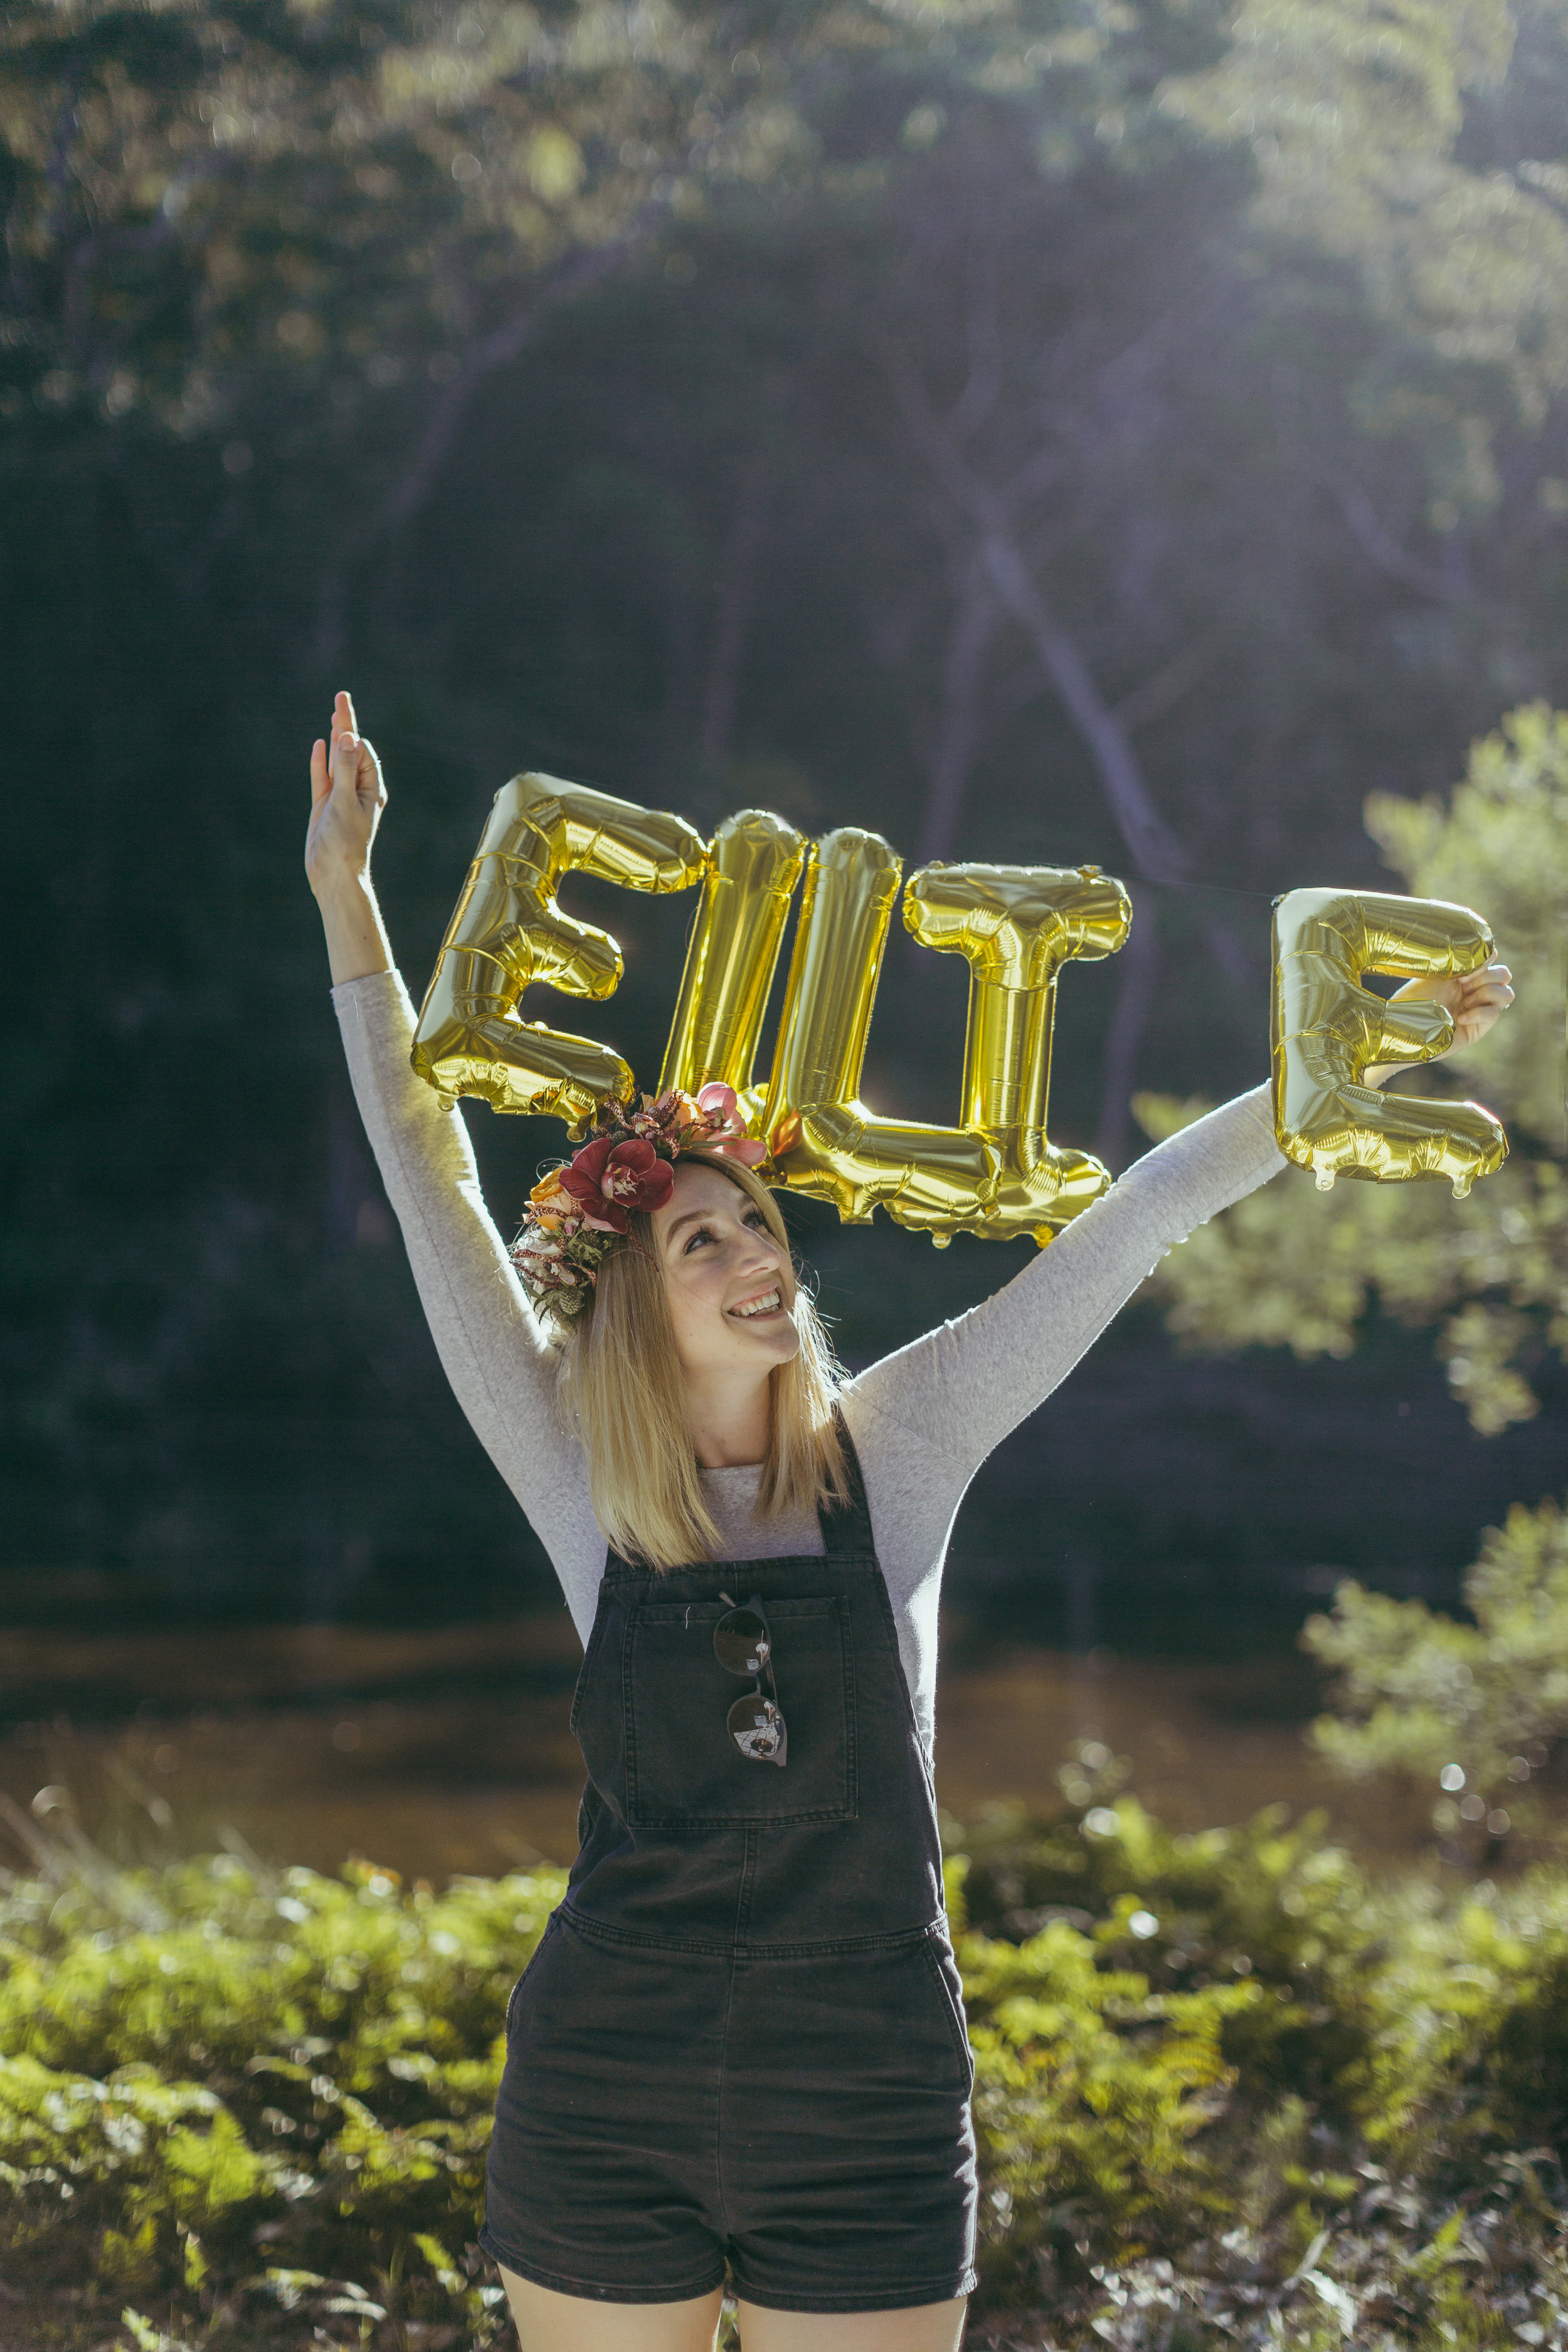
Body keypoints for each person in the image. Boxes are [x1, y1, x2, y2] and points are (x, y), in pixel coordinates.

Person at [305, 690, 1514, 2352]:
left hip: (863, 2108)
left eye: (758, 1227)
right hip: (606, 2092)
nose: (757, 1260)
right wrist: (346, 894)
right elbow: (422, 1164)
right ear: (630, 1312)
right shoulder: (573, 1472)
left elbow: (1137, 1216)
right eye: (701, 1245)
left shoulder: (905, 1446)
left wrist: (1358, 1048)